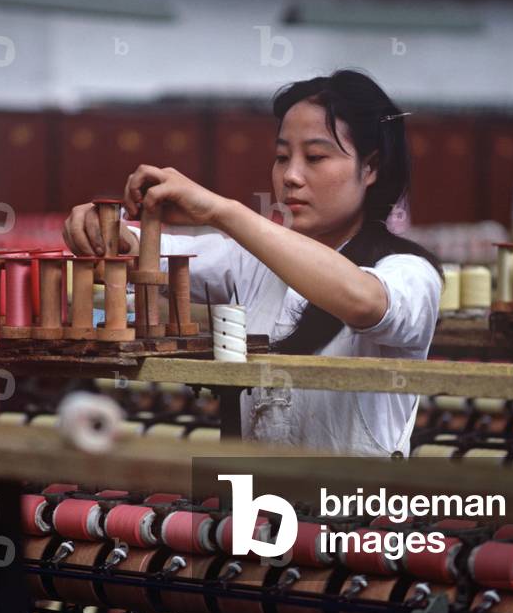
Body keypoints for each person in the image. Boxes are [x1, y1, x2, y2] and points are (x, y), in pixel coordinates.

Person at [63, 69, 442, 456]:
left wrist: (222, 210)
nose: (290, 176)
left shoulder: (411, 273)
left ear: (371, 167)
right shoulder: (250, 262)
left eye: (315, 157)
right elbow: (135, 252)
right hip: (260, 508)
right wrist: (99, 228)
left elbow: (364, 302)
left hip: (353, 509)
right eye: (281, 157)